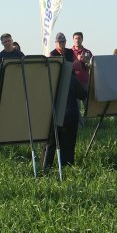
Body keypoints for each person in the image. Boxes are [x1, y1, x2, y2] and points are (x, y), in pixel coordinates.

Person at [41, 32, 87, 168]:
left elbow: (77, 66)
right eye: (59, 42)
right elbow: (83, 94)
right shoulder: (53, 54)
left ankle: (49, 168)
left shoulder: (49, 82)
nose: (61, 44)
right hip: (58, 116)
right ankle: (58, 167)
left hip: (55, 116)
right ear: (56, 43)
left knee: (52, 142)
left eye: (63, 42)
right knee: (53, 143)